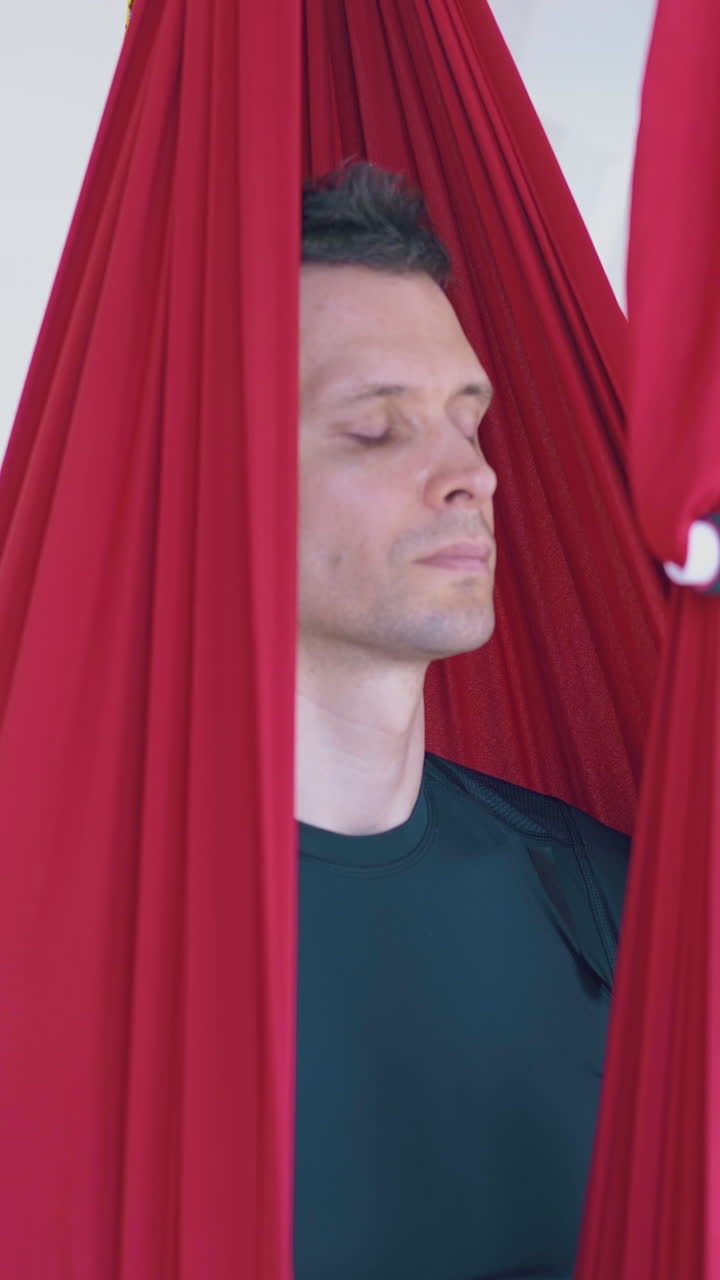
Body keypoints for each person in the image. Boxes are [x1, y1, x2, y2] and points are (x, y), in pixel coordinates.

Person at [293, 159, 630, 1280]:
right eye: (378, 432)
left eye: (466, 420)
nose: (469, 476)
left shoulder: (607, 895)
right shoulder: (64, 937)